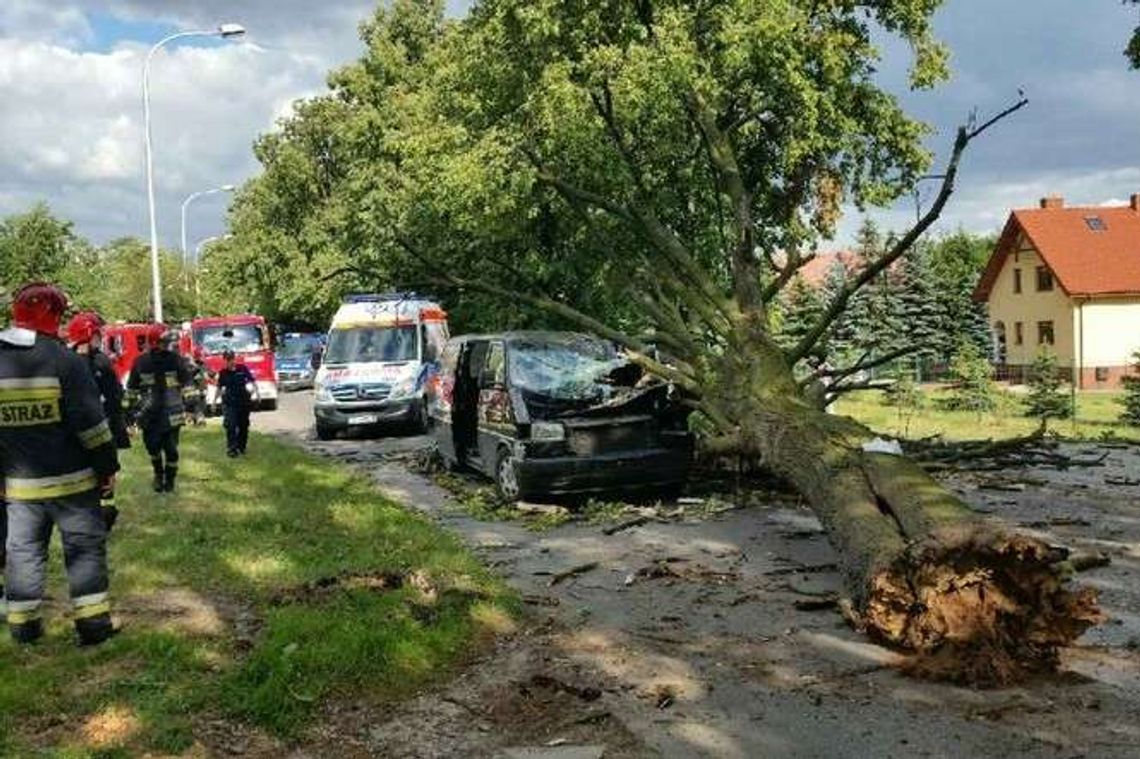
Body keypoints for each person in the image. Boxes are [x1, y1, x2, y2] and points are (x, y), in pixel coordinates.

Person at [0, 283, 120, 645]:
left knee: (22, 554)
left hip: (20, 490)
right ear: (54, 316)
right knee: (83, 553)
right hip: (74, 485)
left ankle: (23, 627)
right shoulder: (65, 361)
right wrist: (107, 467)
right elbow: (92, 425)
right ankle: (94, 628)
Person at [127, 325, 193, 493]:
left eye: (168, 342)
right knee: (153, 448)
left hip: (172, 413)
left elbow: (187, 382)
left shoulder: (175, 359)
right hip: (149, 415)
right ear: (156, 342)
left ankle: (169, 480)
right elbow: (132, 389)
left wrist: (192, 407)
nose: (168, 345)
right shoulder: (141, 362)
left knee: (171, 450)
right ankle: (158, 474)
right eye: (165, 342)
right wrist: (129, 415)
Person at [217, 349, 258, 456]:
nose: (230, 361)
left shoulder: (242, 369)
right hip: (230, 402)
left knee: (243, 426)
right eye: (228, 359)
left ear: (234, 358)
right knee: (230, 425)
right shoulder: (223, 373)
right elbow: (220, 388)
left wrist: (257, 393)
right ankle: (232, 449)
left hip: (243, 401)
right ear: (225, 360)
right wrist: (214, 402)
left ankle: (242, 447)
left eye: (232, 358)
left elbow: (252, 381)